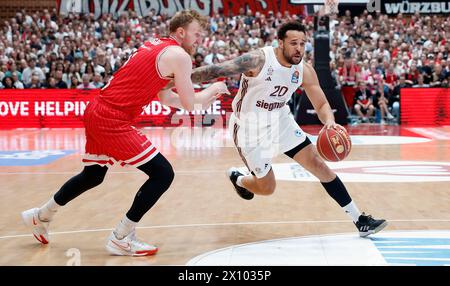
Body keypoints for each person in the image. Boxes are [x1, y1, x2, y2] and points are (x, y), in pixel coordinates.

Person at [21, 10, 229, 256]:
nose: (199, 40)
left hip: (98, 110)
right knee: (162, 173)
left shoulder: (156, 46)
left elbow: (165, 97)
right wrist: (214, 89)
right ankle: (122, 236)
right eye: (196, 34)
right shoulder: (179, 56)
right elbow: (190, 103)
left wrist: (204, 96)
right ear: (181, 32)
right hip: (112, 117)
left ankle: (41, 215)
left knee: (93, 175)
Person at [190, 21, 387, 237]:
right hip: (249, 127)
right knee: (267, 188)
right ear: (280, 42)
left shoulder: (304, 70)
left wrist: (329, 121)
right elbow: (215, 70)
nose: (299, 48)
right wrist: (175, 81)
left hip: (280, 120)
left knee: (319, 165)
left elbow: (321, 104)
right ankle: (238, 178)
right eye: (293, 43)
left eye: (303, 44)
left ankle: (359, 220)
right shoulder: (258, 59)